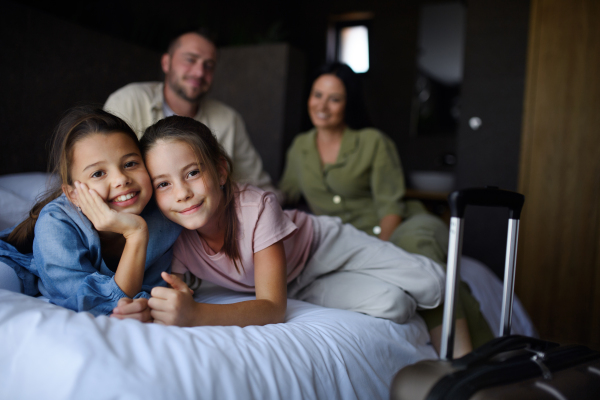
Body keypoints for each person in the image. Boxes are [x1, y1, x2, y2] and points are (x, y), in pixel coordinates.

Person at [110, 115, 446, 328]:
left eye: (193, 173)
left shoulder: (256, 206)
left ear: (221, 170)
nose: (182, 193)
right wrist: (145, 308)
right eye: (164, 184)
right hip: (296, 284)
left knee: (433, 284)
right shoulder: (176, 234)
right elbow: (165, 292)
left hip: (322, 248)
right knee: (395, 305)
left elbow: (272, 308)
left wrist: (197, 315)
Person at [278, 62, 494, 356]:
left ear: (348, 104)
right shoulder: (300, 147)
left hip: (404, 223)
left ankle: (464, 358)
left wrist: (381, 256)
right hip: (346, 240)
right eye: (317, 95)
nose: (322, 105)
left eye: (334, 98)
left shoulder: (372, 142)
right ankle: (482, 357)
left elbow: (391, 206)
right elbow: (286, 190)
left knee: (417, 257)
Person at [0, 106, 181, 319]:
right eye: (98, 173)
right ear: (73, 194)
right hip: (18, 266)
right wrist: (136, 233)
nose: (121, 179)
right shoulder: (55, 223)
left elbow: (148, 291)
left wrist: (145, 305)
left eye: (130, 163)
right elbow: (86, 303)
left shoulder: (164, 218)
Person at [103, 29, 282, 202]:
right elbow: (104, 174)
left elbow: (258, 185)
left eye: (209, 65)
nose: (199, 72)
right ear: (166, 62)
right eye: (190, 60)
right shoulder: (128, 101)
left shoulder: (229, 119)